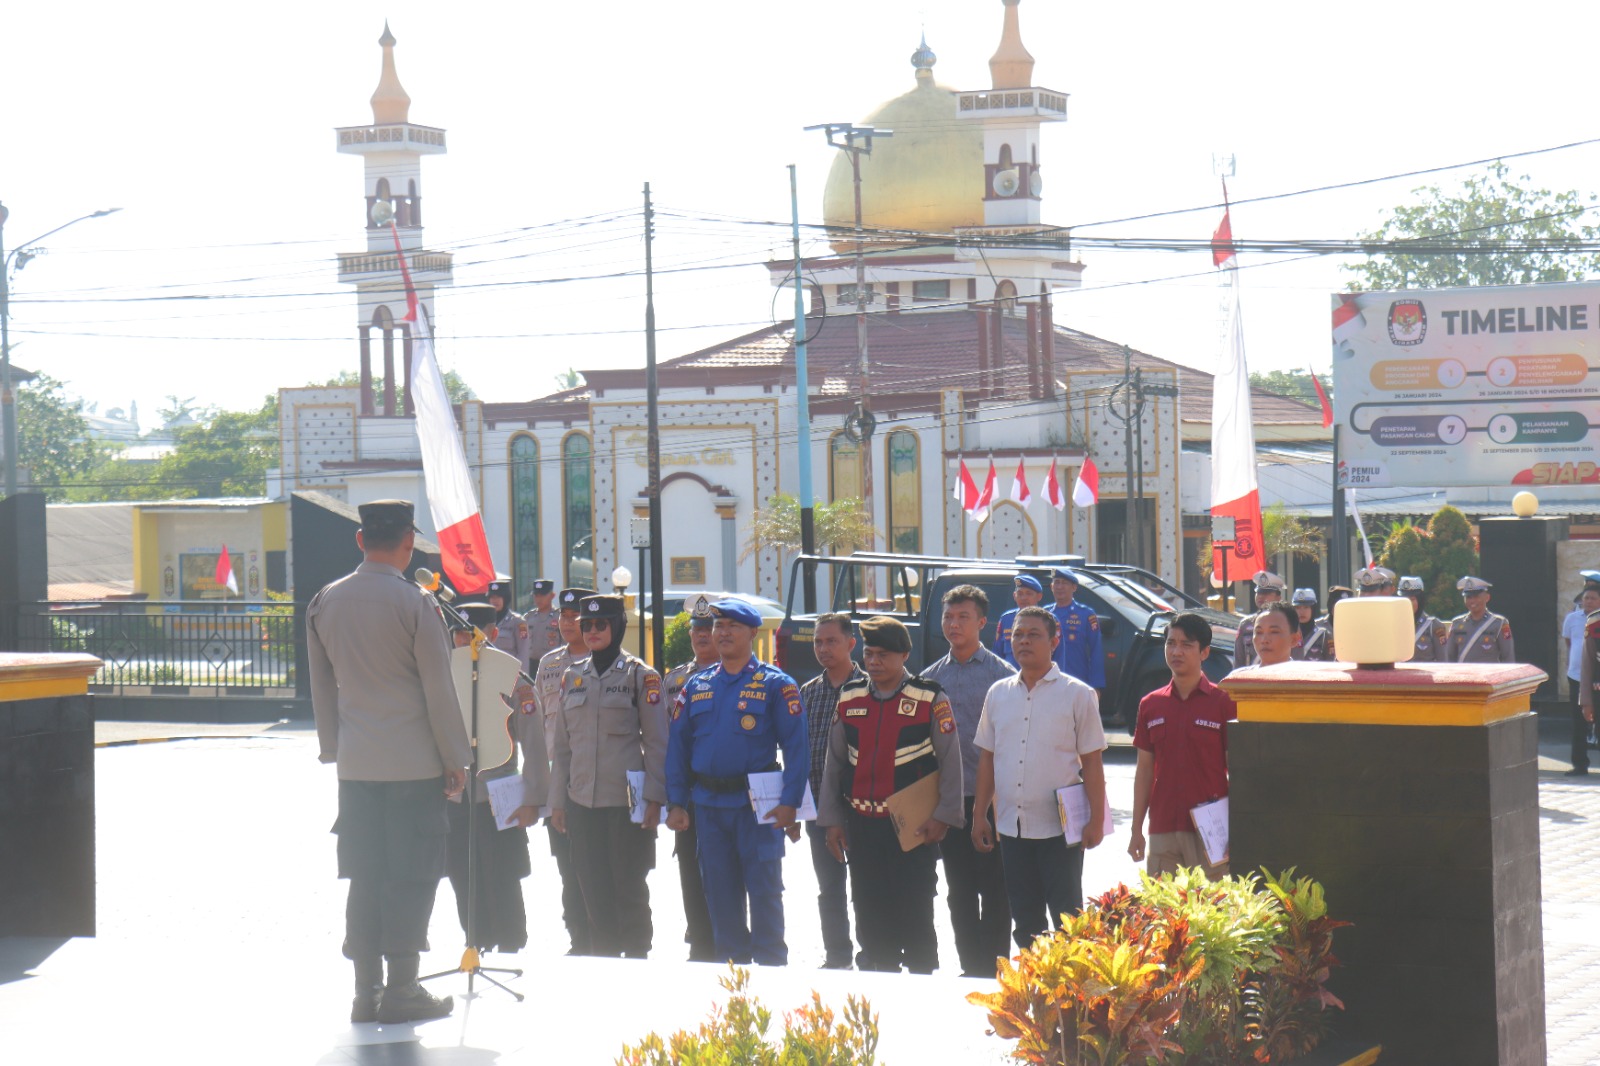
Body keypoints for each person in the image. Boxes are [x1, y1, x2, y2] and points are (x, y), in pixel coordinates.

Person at [307, 499, 469, 1024]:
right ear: (408, 543)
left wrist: (334, 748)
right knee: (413, 873)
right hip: (413, 764)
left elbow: (321, 687)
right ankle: (402, 987)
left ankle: (364, 992)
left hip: (357, 765)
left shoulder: (324, 601)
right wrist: (455, 757)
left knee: (365, 873)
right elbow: (438, 689)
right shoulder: (414, 603)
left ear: (359, 540)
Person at [666, 599, 808, 966]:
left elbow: (797, 748)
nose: (723, 633)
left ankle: (771, 969)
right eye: (718, 626)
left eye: (732, 626)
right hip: (709, 807)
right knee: (720, 896)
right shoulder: (696, 686)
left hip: (757, 807)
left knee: (764, 894)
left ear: (752, 633)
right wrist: (677, 802)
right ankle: (732, 983)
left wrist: (791, 802)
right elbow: (677, 748)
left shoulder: (777, 684)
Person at [819, 616, 964, 974]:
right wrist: (833, 821)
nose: (874, 662)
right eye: (869, 654)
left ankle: (921, 980)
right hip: (863, 826)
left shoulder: (930, 697)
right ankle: (878, 983)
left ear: (904, 655)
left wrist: (944, 816)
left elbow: (951, 761)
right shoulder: (849, 697)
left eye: (883, 655)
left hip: (913, 829)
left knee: (915, 910)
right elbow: (833, 764)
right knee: (868, 910)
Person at [971, 606, 1106, 951]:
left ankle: (1070, 997)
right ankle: (1034, 995)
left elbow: (1092, 763)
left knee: (1067, 921)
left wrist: (1096, 821)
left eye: (1034, 635)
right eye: (1017, 634)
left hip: (1060, 829)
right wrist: (979, 816)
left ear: (1054, 641)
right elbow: (987, 757)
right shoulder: (998, 693)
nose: (1024, 641)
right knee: (1026, 921)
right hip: (1012, 826)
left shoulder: (1078, 694)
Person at [548, 594, 666, 959]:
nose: (593, 631)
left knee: (629, 888)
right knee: (591, 890)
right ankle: (602, 962)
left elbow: (658, 743)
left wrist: (656, 799)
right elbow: (562, 748)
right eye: (588, 626)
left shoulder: (640, 676)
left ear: (617, 627)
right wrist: (557, 803)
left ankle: (636, 959)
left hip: (626, 804)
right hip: (582, 802)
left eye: (601, 625)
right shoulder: (572, 676)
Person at [922, 585, 1016, 978]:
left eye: (963, 617)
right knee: (958, 889)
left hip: (993, 798)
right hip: (950, 801)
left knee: (996, 888)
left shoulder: (1003, 677)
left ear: (982, 623)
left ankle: (995, 967)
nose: (954, 624)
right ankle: (968, 966)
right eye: (948, 617)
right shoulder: (929, 680)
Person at [441, 602, 545, 955]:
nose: (463, 639)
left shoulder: (512, 677)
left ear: (493, 633)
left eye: (473, 633)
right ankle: (475, 942)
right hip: (456, 797)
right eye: (458, 632)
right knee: (461, 874)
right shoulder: (443, 676)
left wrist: (533, 800)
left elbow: (533, 741)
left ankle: (511, 944)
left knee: (503, 873)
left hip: (499, 794)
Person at [1128, 612, 1236, 880]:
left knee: (1213, 913)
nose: (1176, 651)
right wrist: (1135, 830)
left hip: (1212, 830)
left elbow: (1236, 770)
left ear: (1205, 652)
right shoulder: (1150, 704)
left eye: (1186, 644)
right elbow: (1144, 771)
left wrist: (1237, 829)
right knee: (1166, 915)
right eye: (1170, 643)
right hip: (1163, 827)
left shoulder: (1223, 702)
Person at [524, 587, 594, 955]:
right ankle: (578, 937)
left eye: (575, 617)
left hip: (597, 783)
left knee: (598, 866)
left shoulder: (611, 662)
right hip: (557, 787)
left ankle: (603, 936)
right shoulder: (549, 664)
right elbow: (536, 730)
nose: (567, 622)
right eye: (563, 617)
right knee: (567, 868)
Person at [798, 612, 864, 969]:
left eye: (831, 641)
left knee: (867, 885)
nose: (823, 649)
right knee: (830, 887)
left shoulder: (871, 688)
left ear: (851, 644)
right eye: (818, 642)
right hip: (820, 809)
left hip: (863, 808)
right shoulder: (807, 693)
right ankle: (837, 954)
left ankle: (872, 951)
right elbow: (799, 753)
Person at [659, 605, 719, 962]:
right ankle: (698, 933)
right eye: (697, 629)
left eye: (709, 627)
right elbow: (664, 739)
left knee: (724, 865)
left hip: (721, 784)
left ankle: (724, 932)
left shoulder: (735, 675)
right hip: (687, 786)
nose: (701, 634)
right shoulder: (674, 680)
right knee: (688, 861)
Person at [1563, 575, 1600, 775]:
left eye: (1593, 598)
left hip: (1598, 677)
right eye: (1586, 598)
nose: (1588, 601)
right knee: (1578, 722)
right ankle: (1579, 764)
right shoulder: (1572, 618)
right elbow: (1569, 643)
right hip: (1577, 676)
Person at [1047, 568, 1105, 691]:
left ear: (1074, 587)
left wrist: (1096, 685)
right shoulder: (1044, 614)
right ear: (1051, 587)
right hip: (1048, 681)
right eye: (1057, 582)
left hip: (1077, 681)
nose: (1060, 587)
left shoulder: (1086, 615)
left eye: (1065, 583)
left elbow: (1096, 651)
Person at [1446, 577, 1515, 663]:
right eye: (1468, 597)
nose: (1472, 601)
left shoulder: (1499, 623)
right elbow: (1449, 657)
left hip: (1488, 675)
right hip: (1464, 675)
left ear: (1487, 598)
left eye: (1476, 596)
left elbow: (1508, 657)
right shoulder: (1457, 623)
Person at [1232, 571, 1286, 669]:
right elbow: (1239, 661)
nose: (1261, 596)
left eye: (1266, 593)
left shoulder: (1287, 623)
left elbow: (1297, 658)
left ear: (1278, 597)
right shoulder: (1245, 624)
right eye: (1259, 592)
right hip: (1252, 681)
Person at [993, 573, 1044, 667]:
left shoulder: (1047, 620)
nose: (1024, 598)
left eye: (1029, 593)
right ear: (1014, 596)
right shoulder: (1006, 619)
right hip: (1010, 678)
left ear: (1039, 596)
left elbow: (1057, 657)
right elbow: (997, 654)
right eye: (1020, 594)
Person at [486, 575, 532, 671]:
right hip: (489, 673)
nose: (495, 601)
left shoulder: (518, 622)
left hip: (510, 675)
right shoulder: (485, 622)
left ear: (505, 598)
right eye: (492, 597)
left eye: (498, 597)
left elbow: (523, 654)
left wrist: (521, 682)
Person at [1398, 576, 1445, 663]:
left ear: (1420, 600)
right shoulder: (1393, 625)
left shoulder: (1433, 626)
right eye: (1404, 599)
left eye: (1412, 599)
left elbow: (1443, 661)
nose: (1408, 603)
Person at [1239, 602, 1297, 669]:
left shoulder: (1304, 677)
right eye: (1259, 632)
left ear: (1294, 639)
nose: (1264, 640)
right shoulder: (1239, 678)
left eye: (1274, 632)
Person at [523, 578, 561, 665]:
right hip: (530, 664)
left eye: (542, 595)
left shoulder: (559, 617)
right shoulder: (528, 617)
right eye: (536, 595)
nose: (538, 599)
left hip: (552, 664)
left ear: (552, 595)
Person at [1291, 588, 1332, 661]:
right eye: (1298, 608)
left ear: (1313, 609)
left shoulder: (1324, 635)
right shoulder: (1288, 634)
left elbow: (1331, 662)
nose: (1301, 612)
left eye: (1306, 607)